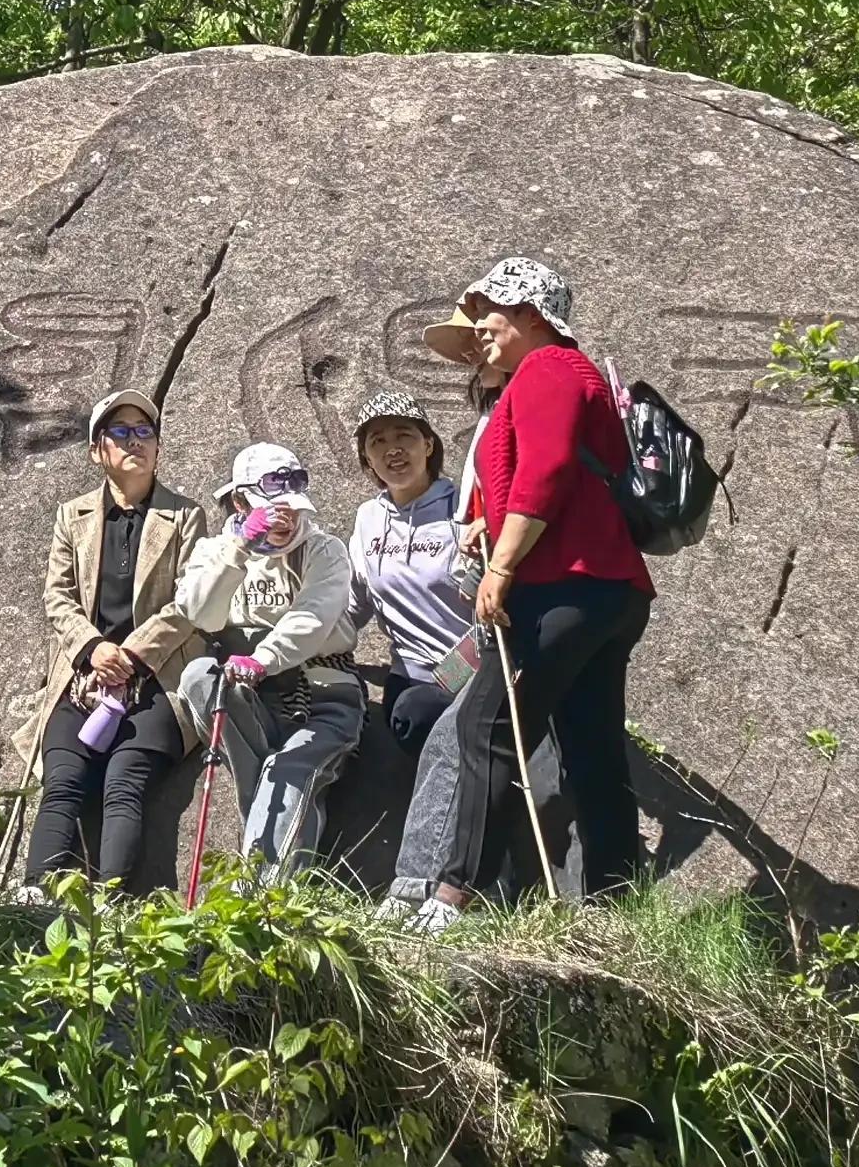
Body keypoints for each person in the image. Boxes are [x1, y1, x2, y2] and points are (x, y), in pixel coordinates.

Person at [385, 258, 653, 925]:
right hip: (605, 589)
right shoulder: (568, 375)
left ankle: (451, 896)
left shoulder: (549, 369)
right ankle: (616, 904)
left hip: (561, 585)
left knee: (486, 729)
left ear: (531, 314)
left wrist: (502, 568)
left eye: (489, 315)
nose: (480, 331)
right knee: (590, 744)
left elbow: (548, 471)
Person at [22, 389, 211, 891]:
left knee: (124, 782)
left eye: (145, 432)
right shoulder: (73, 515)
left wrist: (131, 654)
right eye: (121, 433)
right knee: (61, 781)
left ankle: (111, 904)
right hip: (85, 677)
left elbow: (191, 602)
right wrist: (94, 648)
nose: (136, 442)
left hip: (156, 679)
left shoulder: (185, 516)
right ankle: (32, 897)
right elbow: (57, 597)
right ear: (97, 450)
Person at [168, 439, 362, 878]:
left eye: (293, 507)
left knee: (287, 767)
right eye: (273, 506)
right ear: (240, 500)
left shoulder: (324, 550)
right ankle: (274, 868)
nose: (285, 517)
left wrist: (264, 657)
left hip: (321, 692)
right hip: (250, 698)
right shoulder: (213, 551)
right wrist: (239, 549)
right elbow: (200, 613)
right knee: (199, 674)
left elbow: (313, 616)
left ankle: (261, 894)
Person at [342, 389, 476, 846]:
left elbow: (501, 604)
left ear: (429, 444)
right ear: (366, 458)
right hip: (409, 675)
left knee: (429, 715)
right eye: (377, 442)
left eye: (405, 436)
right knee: (411, 716)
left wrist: (453, 676)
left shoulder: (462, 507)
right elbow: (356, 602)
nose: (392, 449)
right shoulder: (367, 519)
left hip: (477, 664)